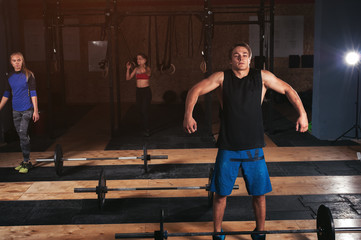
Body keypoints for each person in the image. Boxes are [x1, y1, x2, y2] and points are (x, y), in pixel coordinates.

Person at [183, 42, 308, 240]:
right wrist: (188, 115)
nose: (240, 58)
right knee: (221, 194)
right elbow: (195, 90)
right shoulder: (221, 77)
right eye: (236, 55)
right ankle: (217, 233)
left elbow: (288, 90)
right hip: (228, 146)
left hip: (253, 147)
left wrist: (302, 114)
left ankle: (260, 232)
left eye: (244, 55)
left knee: (259, 194)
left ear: (250, 58)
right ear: (230, 59)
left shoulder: (262, 76)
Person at [0, 52, 40, 173]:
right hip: (15, 110)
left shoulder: (29, 75)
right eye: (14, 61)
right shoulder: (10, 76)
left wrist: (36, 111)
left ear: (22, 61)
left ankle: (27, 162)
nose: (17, 63)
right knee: (22, 136)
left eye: (19, 60)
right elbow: (7, 93)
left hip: (27, 109)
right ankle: (24, 160)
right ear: (11, 62)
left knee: (23, 133)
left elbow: (33, 93)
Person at [125, 53, 152, 137]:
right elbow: (128, 78)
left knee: (144, 110)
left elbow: (148, 74)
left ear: (145, 60)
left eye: (140, 59)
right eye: (137, 59)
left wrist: (143, 67)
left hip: (146, 91)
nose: (138, 60)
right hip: (138, 91)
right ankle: (142, 127)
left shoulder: (147, 68)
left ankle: (147, 129)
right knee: (140, 110)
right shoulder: (136, 69)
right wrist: (128, 69)